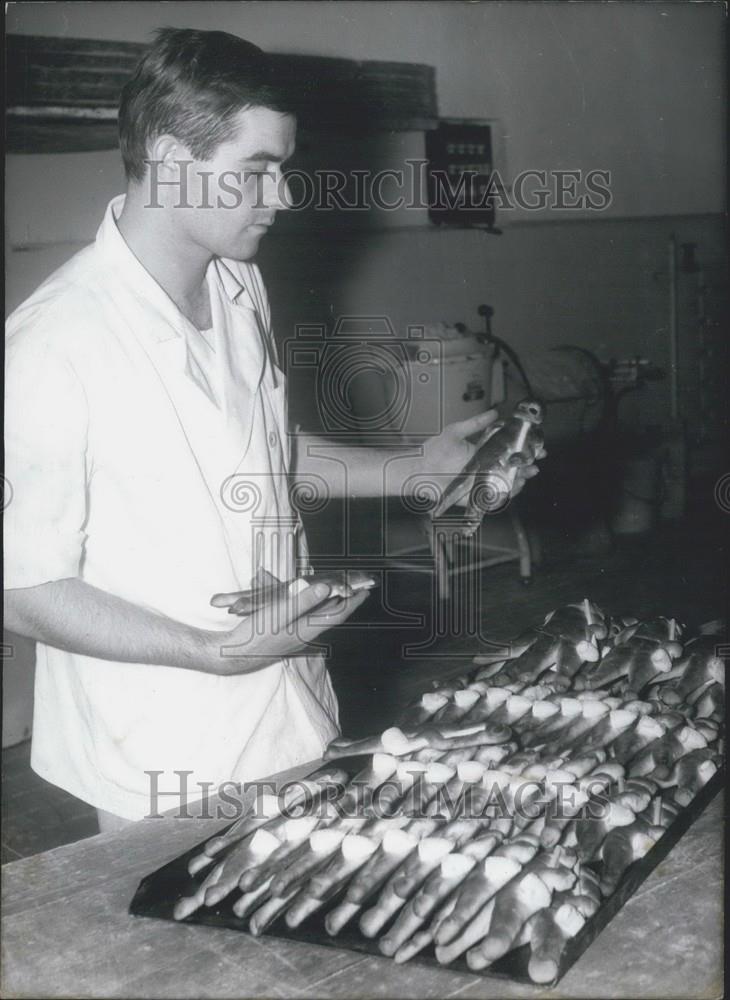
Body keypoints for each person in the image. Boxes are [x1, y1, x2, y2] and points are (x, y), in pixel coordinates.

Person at [4, 28, 537, 829]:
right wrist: (206, 652)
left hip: (291, 714)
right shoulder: (53, 343)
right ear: (170, 157)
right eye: (257, 170)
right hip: (160, 756)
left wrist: (410, 471)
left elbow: (256, 449)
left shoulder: (237, 283)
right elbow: (22, 586)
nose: (283, 197)